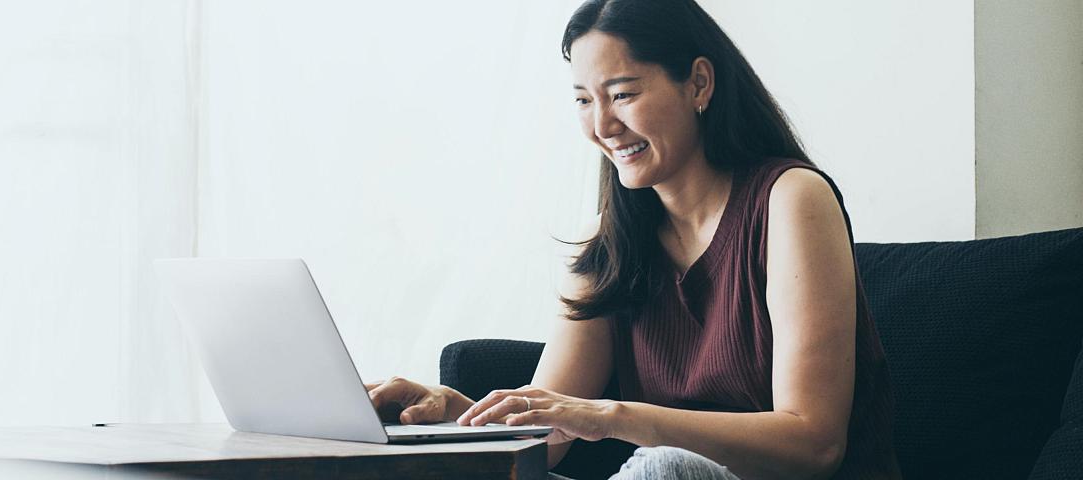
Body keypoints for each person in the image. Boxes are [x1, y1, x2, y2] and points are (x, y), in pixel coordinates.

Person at [363, 0, 901, 478]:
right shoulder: (607, 242)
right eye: (582, 100)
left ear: (699, 84)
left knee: (665, 465)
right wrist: (448, 411)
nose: (602, 126)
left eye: (622, 94)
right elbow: (544, 440)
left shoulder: (790, 199)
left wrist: (612, 417)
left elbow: (815, 443)